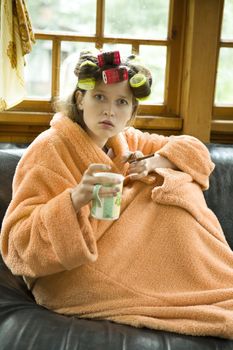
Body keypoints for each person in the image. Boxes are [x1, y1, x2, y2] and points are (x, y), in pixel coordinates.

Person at [1, 49, 233, 340]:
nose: (109, 110)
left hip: (129, 263)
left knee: (176, 182)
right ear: (79, 99)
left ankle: (209, 284)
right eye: (99, 97)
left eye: (121, 102)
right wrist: (74, 199)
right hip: (74, 277)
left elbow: (195, 151)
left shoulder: (126, 141)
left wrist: (152, 162)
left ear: (131, 113)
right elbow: (18, 243)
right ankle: (205, 291)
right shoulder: (50, 149)